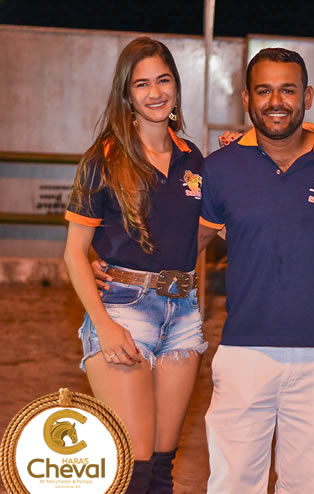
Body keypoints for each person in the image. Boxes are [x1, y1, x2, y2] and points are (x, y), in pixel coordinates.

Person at [197, 48, 314, 494]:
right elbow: (188, 245)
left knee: (311, 487)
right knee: (232, 485)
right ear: (247, 99)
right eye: (264, 90)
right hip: (244, 354)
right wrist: (116, 261)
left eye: (288, 90)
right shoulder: (220, 168)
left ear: (308, 96)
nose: (276, 101)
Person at [64, 37, 207, 493]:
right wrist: (104, 326)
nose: (155, 92)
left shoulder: (193, 158)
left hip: (182, 313)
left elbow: (200, 235)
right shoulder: (102, 159)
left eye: (163, 80)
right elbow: (73, 252)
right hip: (124, 310)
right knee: (133, 467)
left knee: (162, 466)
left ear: (176, 87)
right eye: (141, 84)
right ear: (126, 94)